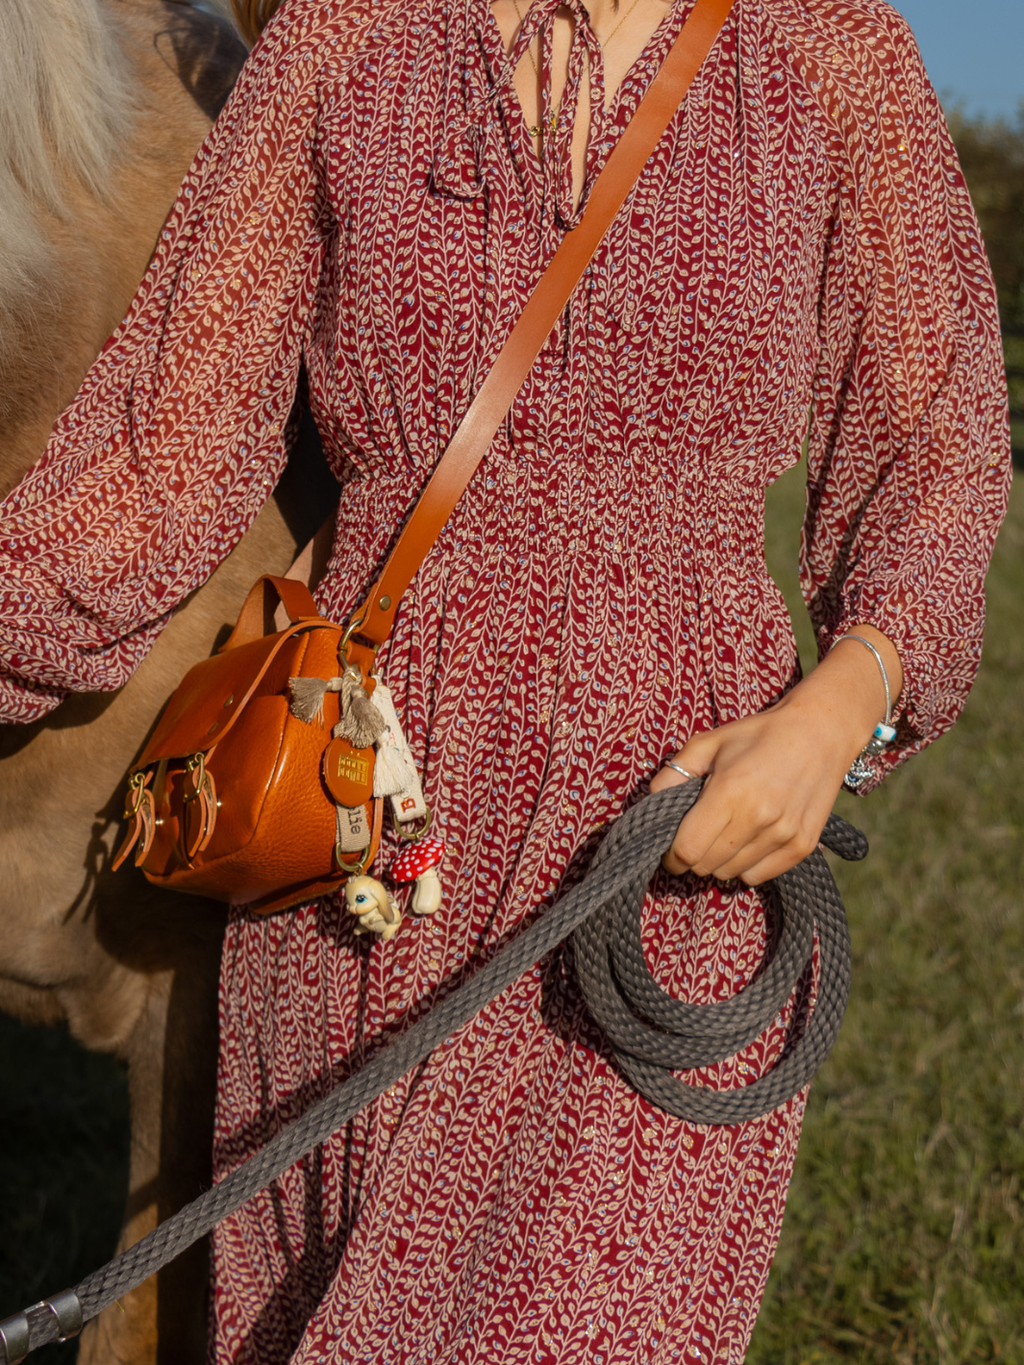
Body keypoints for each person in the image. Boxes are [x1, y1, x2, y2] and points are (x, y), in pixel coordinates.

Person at [0, 0, 1010, 1359]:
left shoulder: (830, 51)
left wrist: (838, 713)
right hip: (358, 843)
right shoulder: (345, 43)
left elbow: (934, 450)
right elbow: (153, 467)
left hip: (672, 858)